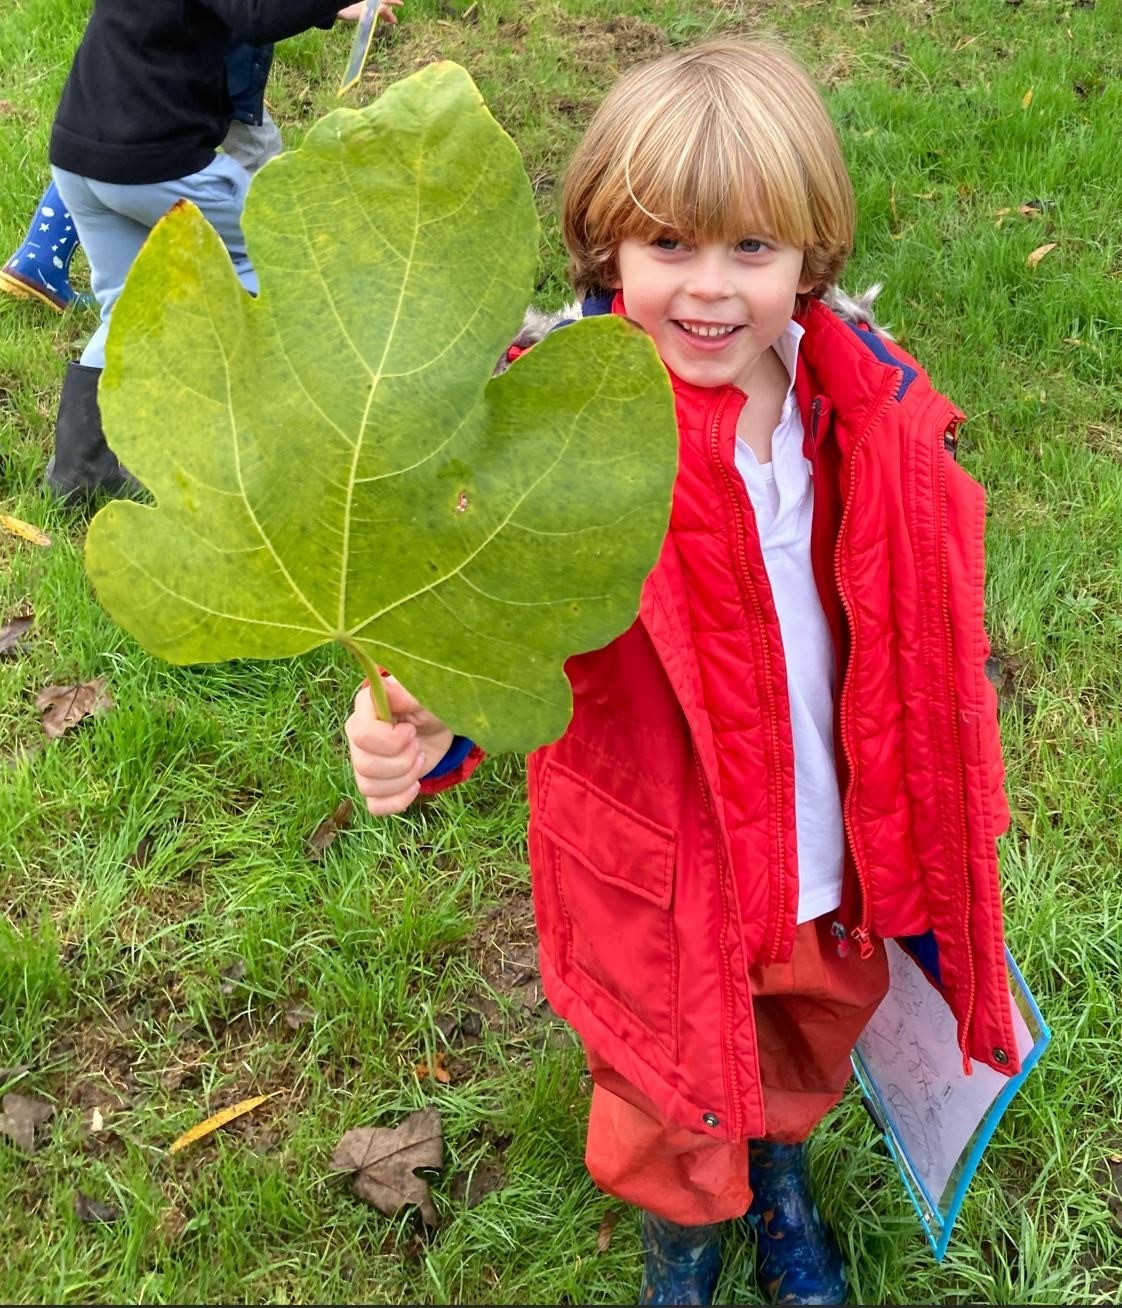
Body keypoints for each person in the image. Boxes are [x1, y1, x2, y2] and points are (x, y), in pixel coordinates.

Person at [344, 39, 1020, 1306]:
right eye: (669, 248)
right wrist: (425, 725)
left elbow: (905, 604)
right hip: (659, 861)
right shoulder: (563, 439)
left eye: (752, 251)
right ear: (608, 252)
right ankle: (683, 1245)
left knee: (804, 1029)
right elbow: (483, 631)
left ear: (811, 259)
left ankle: (775, 1171)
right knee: (666, 1081)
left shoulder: (859, 406)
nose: (710, 291)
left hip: (828, 839)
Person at [37, 0, 400, 502]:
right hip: (155, 162)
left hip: (79, 155)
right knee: (273, 255)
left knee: (129, 303)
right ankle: (274, 434)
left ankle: (79, 472)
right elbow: (256, 17)